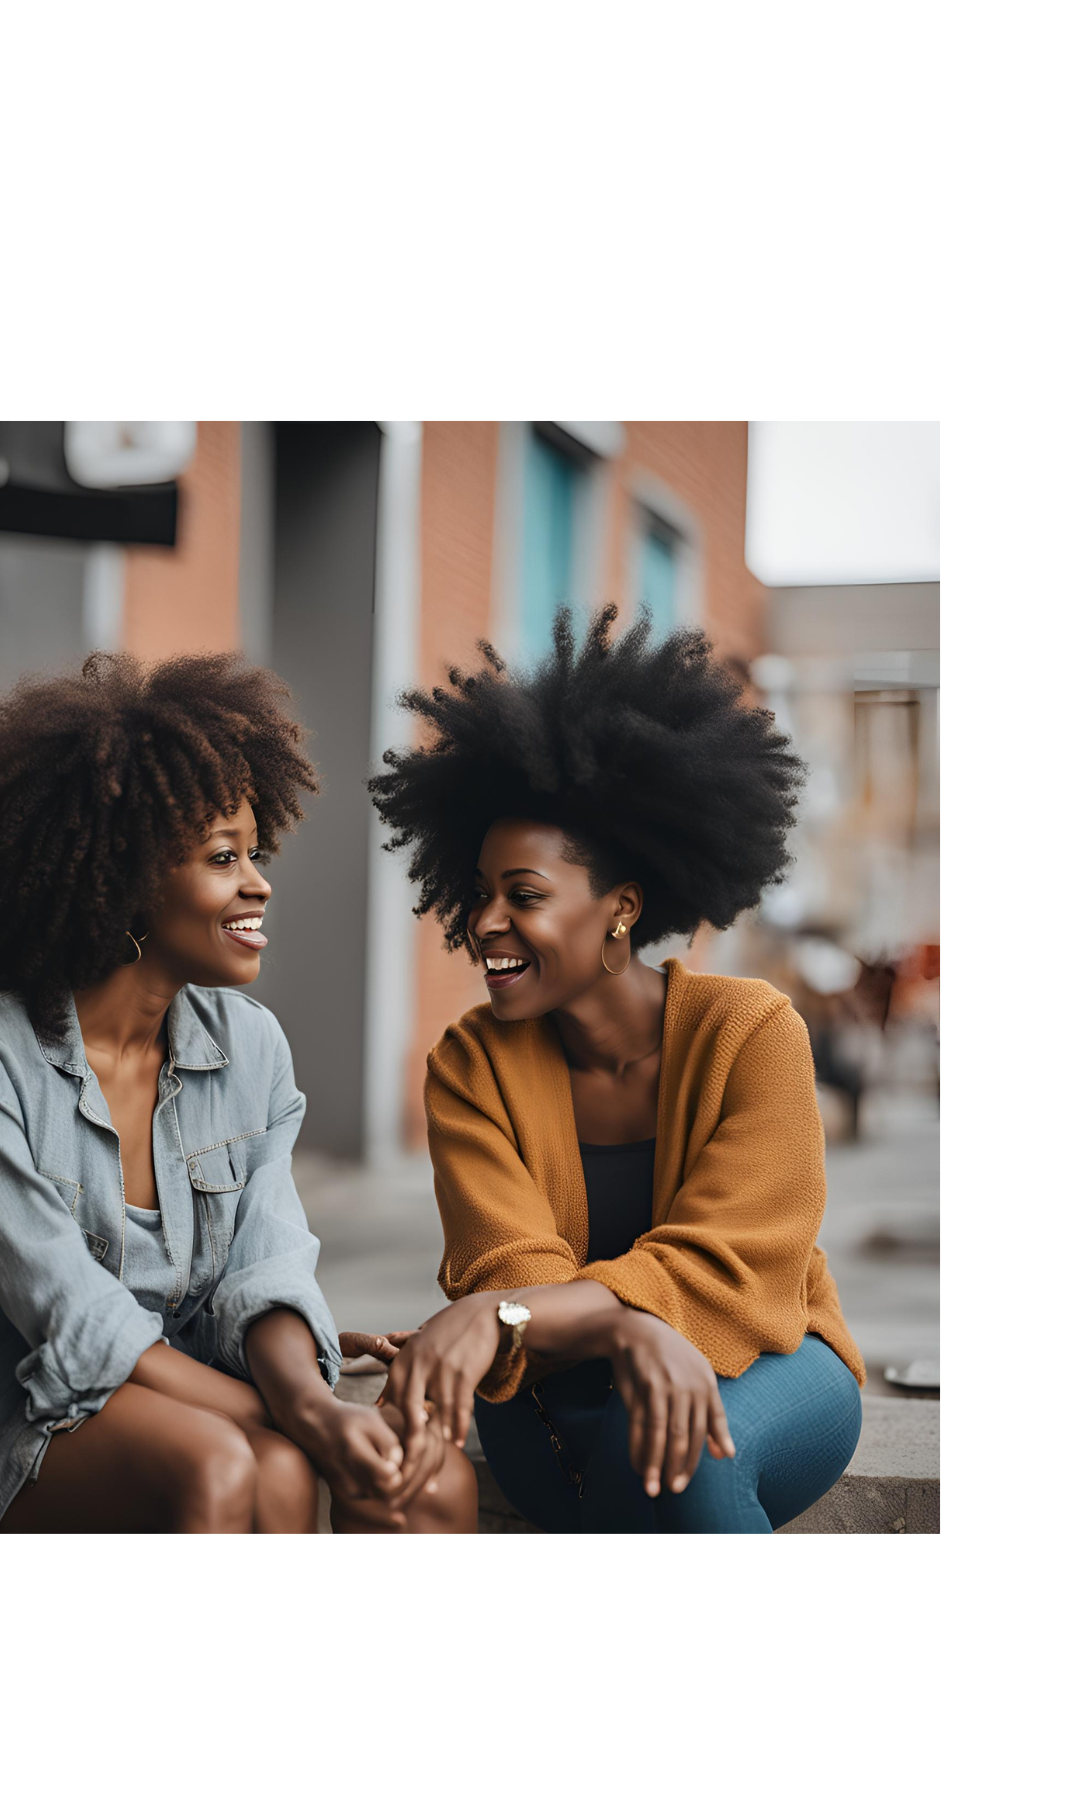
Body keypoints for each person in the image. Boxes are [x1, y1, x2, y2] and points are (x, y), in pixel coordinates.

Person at [0, 650, 475, 1535]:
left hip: (166, 1380)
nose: (258, 882)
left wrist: (309, 1406)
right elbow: (73, 1316)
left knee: (287, 1468)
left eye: (257, 852)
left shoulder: (248, 1047)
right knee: (226, 1464)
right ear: (129, 882)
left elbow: (267, 1264)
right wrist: (309, 1414)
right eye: (224, 858)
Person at [367, 606, 865, 1534]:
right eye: (477, 895)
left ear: (620, 909)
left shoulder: (751, 1033)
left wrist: (524, 1315)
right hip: (552, 1401)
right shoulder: (471, 1065)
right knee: (651, 1438)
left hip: (768, 1361)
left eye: (524, 897)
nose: (483, 923)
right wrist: (622, 1326)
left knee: (676, 1442)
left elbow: (736, 1267)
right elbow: (505, 1269)